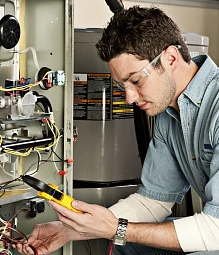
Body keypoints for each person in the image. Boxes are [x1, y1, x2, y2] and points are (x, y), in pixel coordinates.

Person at [15, 5, 219, 255]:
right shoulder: (169, 113)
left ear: (171, 58)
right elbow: (153, 202)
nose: (130, 98)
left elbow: (215, 230)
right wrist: (69, 230)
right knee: (129, 243)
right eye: (123, 85)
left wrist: (116, 228)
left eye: (136, 80)